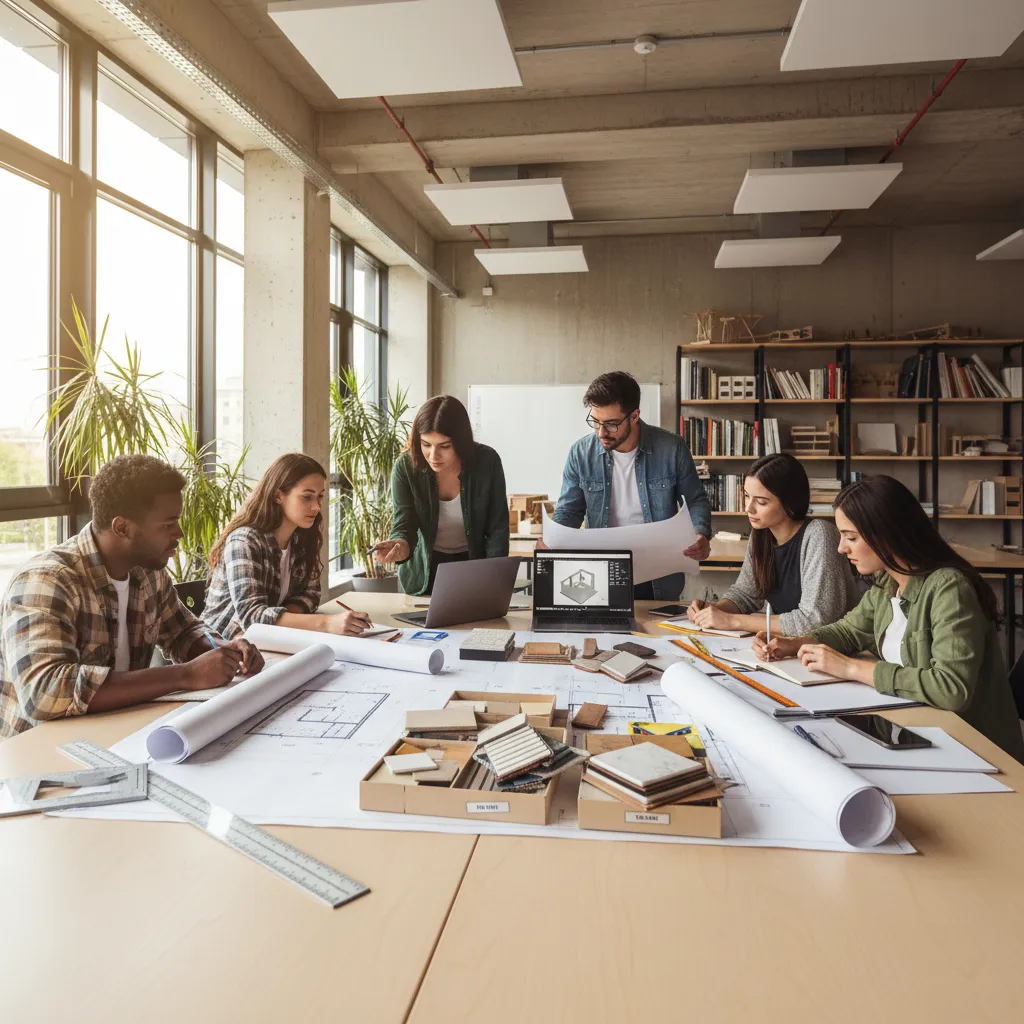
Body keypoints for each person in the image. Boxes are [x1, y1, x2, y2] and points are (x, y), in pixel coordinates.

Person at [753, 475, 1024, 760]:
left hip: (976, 750)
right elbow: (849, 632)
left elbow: (951, 688)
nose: (841, 548)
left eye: (851, 537)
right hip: (921, 731)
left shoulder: (949, 588)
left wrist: (851, 668)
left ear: (886, 533)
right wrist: (794, 644)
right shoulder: (888, 582)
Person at [0, 455, 264, 740]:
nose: (180, 533)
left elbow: (184, 631)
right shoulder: (47, 580)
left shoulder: (148, 571)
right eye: (168, 524)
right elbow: (45, 692)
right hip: (41, 755)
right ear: (122, 527)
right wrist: (185, 675)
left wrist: (225, 651)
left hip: (120, 734)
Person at [550, 370, 711, 601]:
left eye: (611, 424)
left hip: (659, 573)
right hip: (601, 571)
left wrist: (700, 533)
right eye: (595, 422)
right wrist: (553, 537)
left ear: (634, 416)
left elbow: (695, 500)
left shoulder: (671, 448)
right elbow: (570, 510)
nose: (601, 433)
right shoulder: (580, 453)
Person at [204, 452, 369, 639]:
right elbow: (252, 617)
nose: (316, 506)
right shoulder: (244, 541)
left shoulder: (302, 536)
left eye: (320, 497)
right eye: (307, 497)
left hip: (269, 639)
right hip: (220, 646)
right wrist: (327, 623)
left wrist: (281, 621)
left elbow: (311, 594)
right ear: (278, 496)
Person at [687, 453, 858, 633]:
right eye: (746, 496)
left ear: (789, 502)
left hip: (832, 650)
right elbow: (746, 594)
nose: (748, 508)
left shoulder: (819, 535)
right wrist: (715, 610)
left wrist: (733, 621)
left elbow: (815, 620)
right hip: (787, 646)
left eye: (761, 502)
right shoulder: (761, 534)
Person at [372, 395, 509, 596]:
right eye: (426, 444)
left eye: (444, 446)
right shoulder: (405, 467)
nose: (433, 455)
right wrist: (400, 545)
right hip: (424, 570)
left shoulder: (487, 462)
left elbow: (497, 528)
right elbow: (404, 521)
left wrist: (493, 580)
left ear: (461, 442)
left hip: (473, 565)